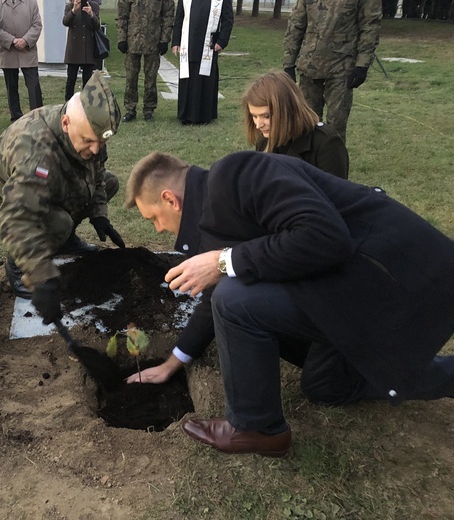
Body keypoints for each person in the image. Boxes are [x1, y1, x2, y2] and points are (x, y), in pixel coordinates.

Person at [124, 150, 454, 457]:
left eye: (154, 217)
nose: (158, 228)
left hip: (384, 279)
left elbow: (326, 237)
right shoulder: (213, 220)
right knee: (324, 385)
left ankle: (258, 428)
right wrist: (173, 362)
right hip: (335, 294)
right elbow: (216, 290)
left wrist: (224, 262)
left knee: (234, 300)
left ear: (170, 199)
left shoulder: (238, 175)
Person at [0, 71, 126, 317]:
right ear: (66, 123)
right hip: (2, 202)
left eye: (100, 142)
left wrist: (99, 215)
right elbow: (15, 216)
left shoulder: (89, 135)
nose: (96, 148)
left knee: (109, 183)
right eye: (89, 141)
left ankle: (64, 239)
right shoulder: (36, 151)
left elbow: (97, 176)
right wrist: (39, 272)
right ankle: (17, 263)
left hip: (47, 183)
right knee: (59, 222)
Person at [283, 0, 381, 142]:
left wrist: (362, 64)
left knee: (336, 125)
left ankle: (333, 161)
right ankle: (307, 162)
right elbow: (296, 24)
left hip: (341, 67)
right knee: (306, 122)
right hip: (309, 66)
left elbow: (370, 26)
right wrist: (289, 63)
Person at [242, 70, 349, 179]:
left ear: (288, 110)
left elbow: (336, 192)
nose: (258, 125)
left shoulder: (325, 143)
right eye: (254, 116)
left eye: (266, 116)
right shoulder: (264, 141)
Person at [171, 0, 234, 126]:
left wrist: (222, 41)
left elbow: (227, 20)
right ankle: (186, 114)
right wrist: (176, 41)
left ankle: (204, 115)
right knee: (188, 78)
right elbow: (179, 18)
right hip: (188, 45)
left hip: (209, 46)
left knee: (205, 79)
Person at [116, 0, 174, 123]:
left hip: (153, 40)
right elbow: (122, 14)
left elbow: (168, 15)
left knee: (151, 78)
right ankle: (130, 108)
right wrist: (121, 38)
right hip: (133, 40)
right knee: (131, 77)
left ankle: (149, 109)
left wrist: (165, 39)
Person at [0, 0, 44, 122]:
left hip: (28, 51)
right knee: (11, 87)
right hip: (8, 51)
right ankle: (16, 118)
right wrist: (13, 41)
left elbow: (37, 25)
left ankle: (37, 118)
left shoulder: (31, 3)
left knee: (33, 85)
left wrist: (25, 40)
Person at [62, 0, 100, 102]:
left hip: (88, 48)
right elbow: (65, 22)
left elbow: (97, 26)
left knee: (87, 81)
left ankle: (86, 104)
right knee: (71, 80)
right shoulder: (70, 6)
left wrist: (91, 14)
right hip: (73, 49)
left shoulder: (94, 6)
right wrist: (74, 10)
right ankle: (68, 104)